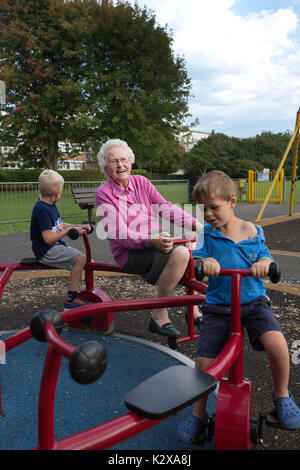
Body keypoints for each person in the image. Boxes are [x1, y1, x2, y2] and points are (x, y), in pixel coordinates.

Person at [177, 170, 300, 443]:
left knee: (278, 344)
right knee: (205, 360)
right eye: (203, 208)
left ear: (232, 202)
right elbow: (197, 261)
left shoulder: (254, 231)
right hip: (220, 305)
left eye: (214, 207)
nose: (208, 214)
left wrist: (264, 265)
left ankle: (281, 394)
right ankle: (198, 413)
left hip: (254, 303)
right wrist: (205, 263)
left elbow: (267, 259)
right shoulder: (205, 234)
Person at [95, 138, 202, 338]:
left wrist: (197, 224)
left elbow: (166, 207)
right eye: (113, 161)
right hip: (130, 252)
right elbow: (119, 233)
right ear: (105, 167)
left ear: (131, 161)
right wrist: (149, 240)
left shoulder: (141, 182)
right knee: (181, 253)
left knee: (190, 248)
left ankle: (192, 308)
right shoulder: (104, 194)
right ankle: (159, 313)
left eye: (124, 160)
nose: (120, 165)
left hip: (157, 242)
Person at [30, 169, 91, 310]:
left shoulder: (50, 205)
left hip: (54, 246)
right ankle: (71, 299)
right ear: (58, 193)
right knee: (80, 259)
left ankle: (76, 295)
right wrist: (67, 232)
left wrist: (77, 226)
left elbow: (60, 225)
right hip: (46, 250)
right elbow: (48, 238)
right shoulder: (42, 209)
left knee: (87, 261)